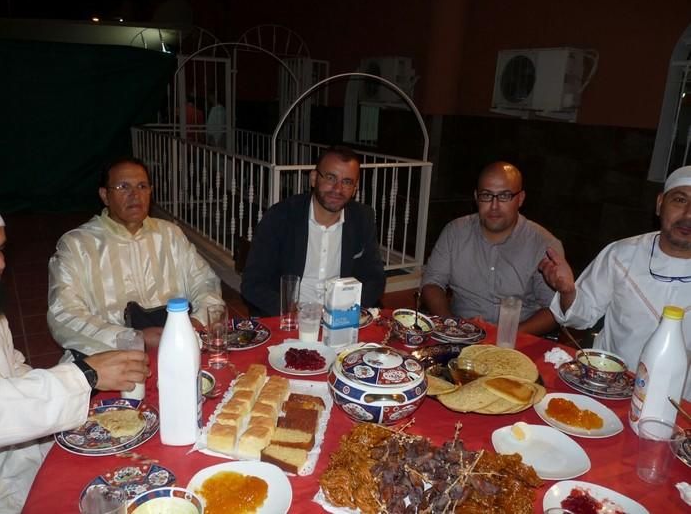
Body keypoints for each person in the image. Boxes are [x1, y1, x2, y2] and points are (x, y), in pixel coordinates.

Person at [0, 214, 150, 513]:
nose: (1, 264)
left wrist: (80, 414)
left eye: (1, 248)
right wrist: (84, 376)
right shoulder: (76, 244)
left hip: (17, 463)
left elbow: (12, 368)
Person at [539, 165, 691, 399]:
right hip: (608, 390)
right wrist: (568, 291)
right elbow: (582, 316)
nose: (688, 214)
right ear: (660, 203)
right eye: (680, 200)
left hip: (680, 405)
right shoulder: (621, 255)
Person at [47, 157, 224, 356]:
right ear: (105, 195)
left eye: (142, 186)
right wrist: (133, 339)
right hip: (111, 356)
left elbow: (206, 285)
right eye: (123, 187)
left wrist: (196, 322)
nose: (135, 195)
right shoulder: (78, 245)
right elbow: (64, 315)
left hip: (180, 343)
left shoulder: (169, 235)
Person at [241, 146, 386, 316]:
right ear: (314, 178)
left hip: (341, 319)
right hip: (290, 319)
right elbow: (253, 284)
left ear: (355, 188)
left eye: (347, 182)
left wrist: (346, 310)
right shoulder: (280, 217)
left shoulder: (362, 219)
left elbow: (375, 279)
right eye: (331, 178)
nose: (338, 189)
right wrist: (295, 312)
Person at [421, 161, 563, 335]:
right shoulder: (455, 232)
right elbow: (431, 283)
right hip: (459, 335)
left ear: (520, 198)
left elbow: (554, 310)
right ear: (476, 197)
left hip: (518, 341)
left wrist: (503, 337)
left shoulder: (544, 245)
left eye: (504, 196)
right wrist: (453, 327)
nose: (494, 206)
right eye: (487, 196)